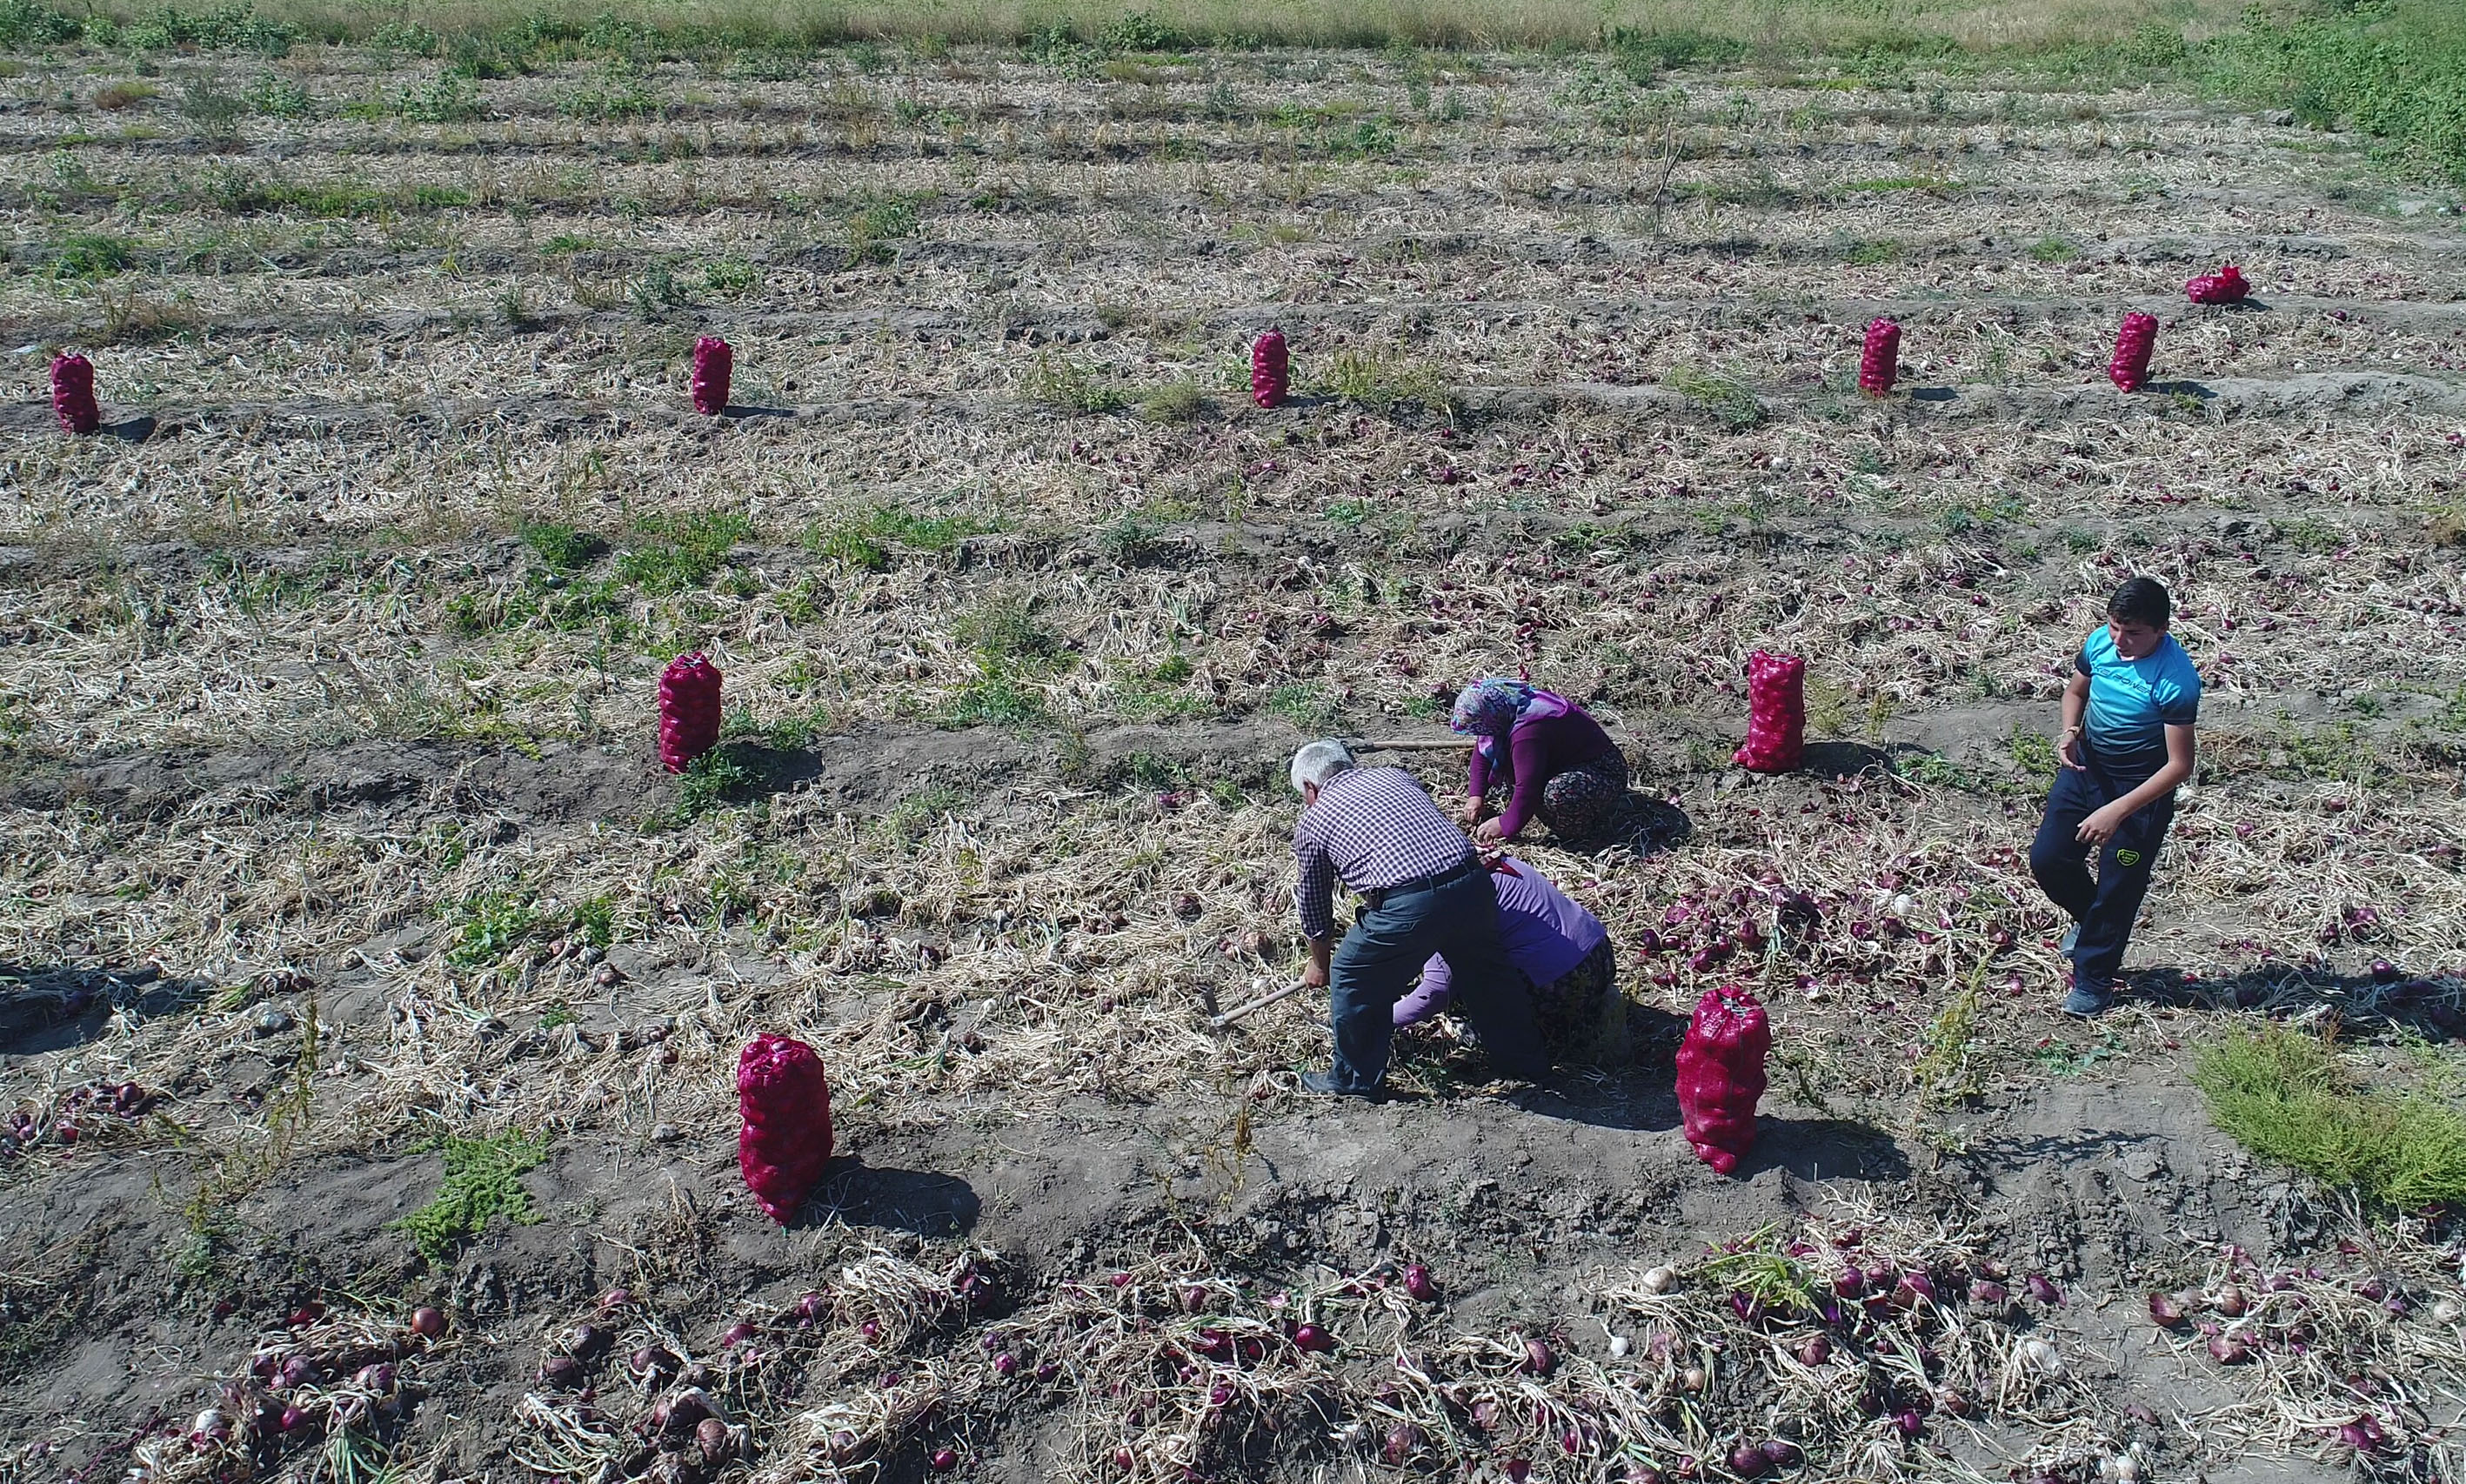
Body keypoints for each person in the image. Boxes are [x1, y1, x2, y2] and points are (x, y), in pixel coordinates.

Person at [1288, 740, 1547, 1099]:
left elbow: (1314, 904)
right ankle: (1524, 1060)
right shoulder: (1395, 777)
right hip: (1472, 883)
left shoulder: (1314, 821)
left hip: (1410, 903)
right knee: (1488, 974)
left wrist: (1320, 964)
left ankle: (1353, 1080)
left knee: (1353, 974)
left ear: (1310, 789)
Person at [2028, 577, 2200, 1017]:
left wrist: (2117, 810)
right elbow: (2075, 691)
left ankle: (2094, 980)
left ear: (2161, 629)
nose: (2120, 641)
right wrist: (2069, 731)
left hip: (2139, 789)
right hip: (2086, 769)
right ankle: (2094, 925)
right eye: (2114, 627)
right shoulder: (2101, 644)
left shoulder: (2176, 680)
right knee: (2049, 859)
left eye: (2134, 633)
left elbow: (2179, 765)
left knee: (2118, 885)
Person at [1393, 856, 1621, 1064]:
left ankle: (1579, 1033)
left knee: (1465, 1006)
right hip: (1599, 952)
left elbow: (1435, 993)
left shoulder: (1442, 903)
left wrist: (1377, 1018)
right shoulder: (1480, 861)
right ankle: (1597, 1007)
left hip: (1560, 983)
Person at [1451, 678, 1629, 844]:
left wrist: (1505, 825)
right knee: (1510, 778)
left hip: (1602, 770)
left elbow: (1528, 786)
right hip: (1559, 761)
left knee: (1559, 793)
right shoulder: (1508, 706)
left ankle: (1578, 833)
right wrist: (1476, 795)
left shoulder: (1528, 731)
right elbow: (1484, 747)